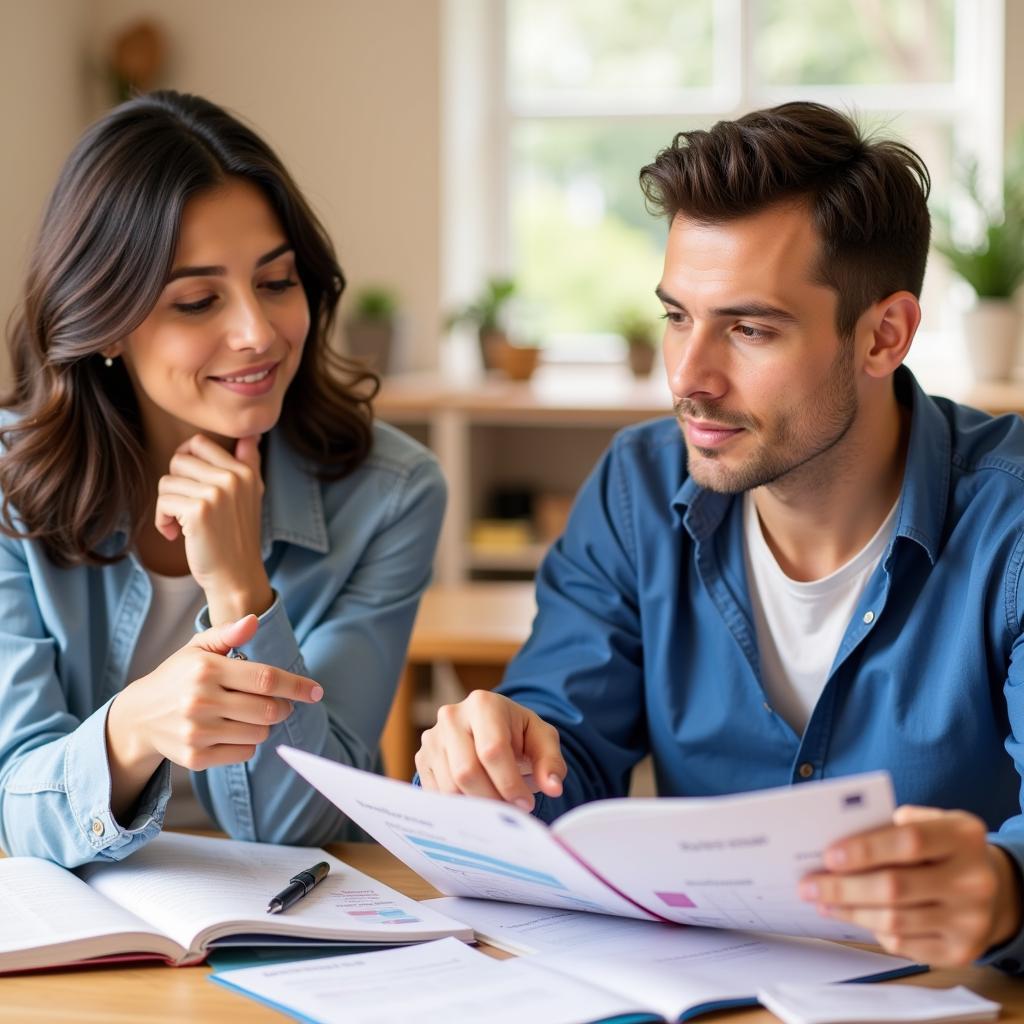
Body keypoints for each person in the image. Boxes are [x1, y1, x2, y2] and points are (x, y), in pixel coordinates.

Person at [414, 102, 1024, 972]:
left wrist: (1004, 889)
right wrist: (491, 765)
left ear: (883, 335)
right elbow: (563, 750)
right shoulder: (637, 487)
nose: (688, 378)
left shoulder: (1011, 526)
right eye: (676, 316)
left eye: (748, 329)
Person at [0, 91, 445, 868]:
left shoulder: (393, 493)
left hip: (289, 922)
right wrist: (133, 728)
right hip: (78, 937)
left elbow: (307, 825)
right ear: (106, 319)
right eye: (198, 299)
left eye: (277, 282)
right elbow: (15, 805)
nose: (258, 332)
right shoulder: (9, 484)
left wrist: (241, 592)